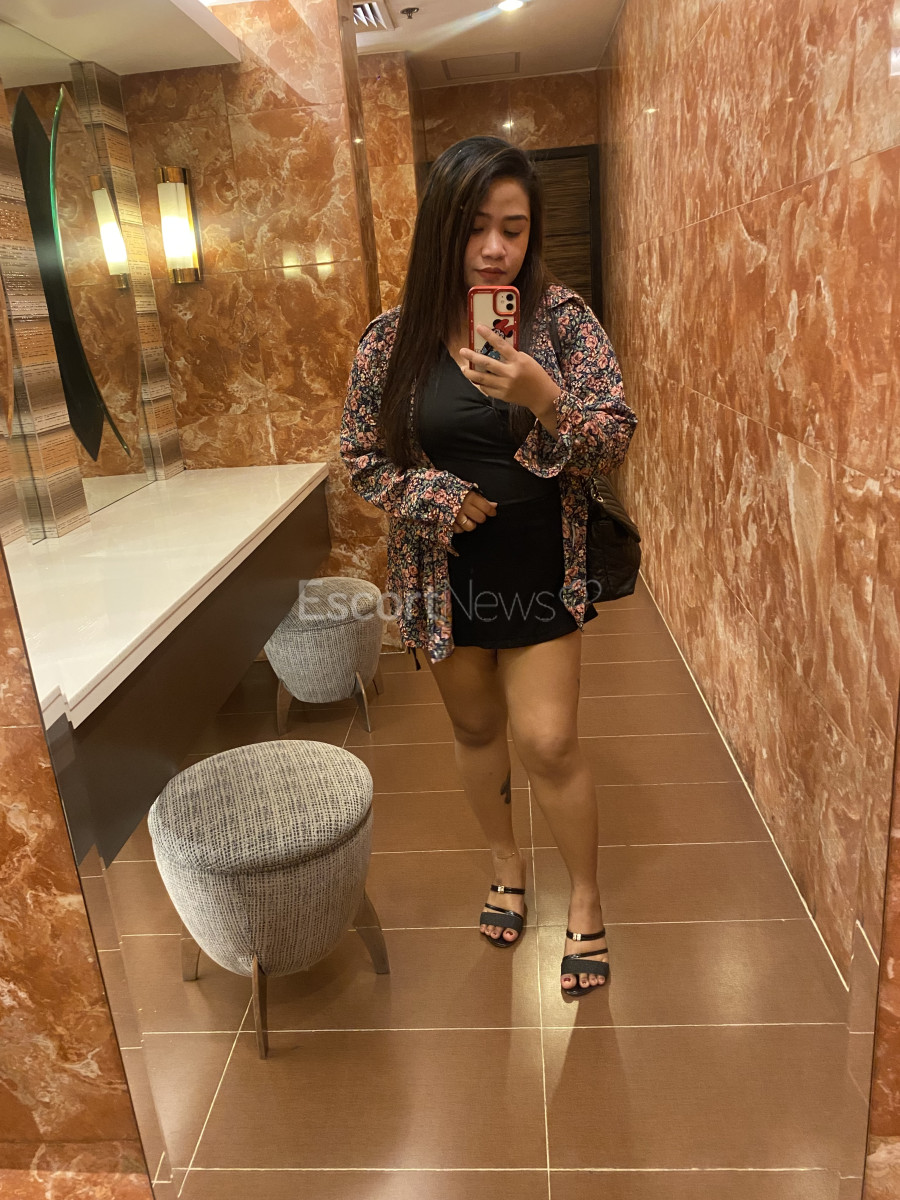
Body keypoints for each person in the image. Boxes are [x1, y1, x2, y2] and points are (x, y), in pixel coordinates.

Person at [340, 136, 637, 998]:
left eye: (513, 227)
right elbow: (361, 458)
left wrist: (544, 397)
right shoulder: (390, 340)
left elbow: (613, 437)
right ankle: (507, 868)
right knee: (475, 732)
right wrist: (431, 495)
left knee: (548, 740)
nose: (496, 248)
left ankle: (586, 896)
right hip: (443, 581)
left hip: (541, 564)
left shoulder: (564, 320)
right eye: (476, 227)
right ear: (442, 228)